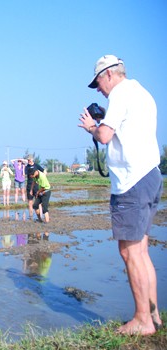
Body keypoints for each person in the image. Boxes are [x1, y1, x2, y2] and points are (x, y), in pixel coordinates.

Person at [79, 55, 163, 335]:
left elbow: (104, 136)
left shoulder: (121, 94)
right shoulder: (143, 93)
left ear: (109, 75)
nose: (99, 90)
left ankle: (142, 321)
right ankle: (153, 315)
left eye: (98, 83)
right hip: (150, 174)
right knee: (141, 251)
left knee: (129, 252)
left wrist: (92, 126)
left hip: (131, 181)